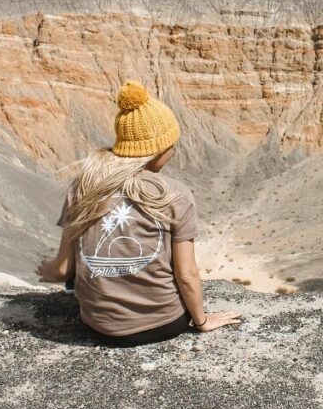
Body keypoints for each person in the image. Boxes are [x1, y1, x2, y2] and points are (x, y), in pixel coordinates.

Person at [36, 80, 241, 346]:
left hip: (97, 326)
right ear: (157, 150)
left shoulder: (82, 187)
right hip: (165, 325)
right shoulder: (174, 193)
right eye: (171, 144)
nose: (174, 150)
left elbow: (64, 269)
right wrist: (201, 321)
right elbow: (187, 274)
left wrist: (48, 273)